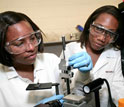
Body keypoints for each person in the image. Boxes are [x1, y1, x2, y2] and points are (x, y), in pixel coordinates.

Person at [0, 11, 92, 107]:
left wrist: (84, 74)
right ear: (2, 47)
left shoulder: (51, 60)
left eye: (32, 38)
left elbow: (78, 95)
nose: (31, 47)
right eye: (19, 43)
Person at [60, 5, 124, 107]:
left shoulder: (115, 53)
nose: (102, 38)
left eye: (110, 33)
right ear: (90, 25)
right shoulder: (69, 50)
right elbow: (65, 89)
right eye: (98, 28)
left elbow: (119, 88)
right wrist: (83, 75)